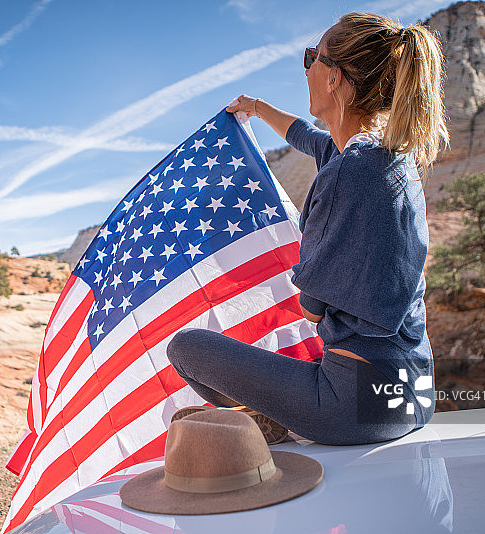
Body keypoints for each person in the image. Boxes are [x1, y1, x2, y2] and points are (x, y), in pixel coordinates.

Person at [167, 12, 448, 445]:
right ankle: (280, 421)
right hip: (414, 396)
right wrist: (256, 109)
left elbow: (311, 309)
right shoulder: (385, 159)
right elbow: (305, 136)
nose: (306, 69)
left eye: (311, 58)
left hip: (355, 407)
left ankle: (274, 427)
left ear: (334, 77)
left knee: (185, 348)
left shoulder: (345, 174)